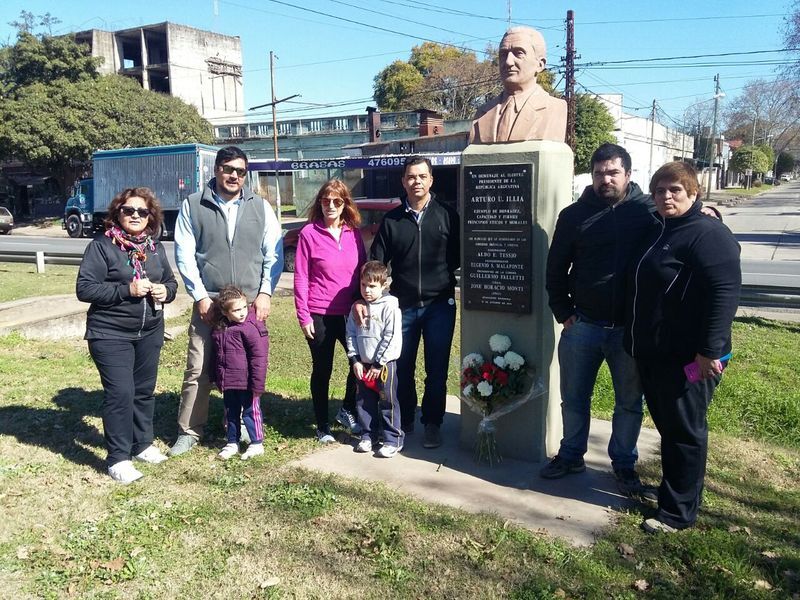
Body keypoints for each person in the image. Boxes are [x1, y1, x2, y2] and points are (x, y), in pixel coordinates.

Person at [625, 162, 741, 533]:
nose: (666, 196)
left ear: (694, 193)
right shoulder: (662, 229)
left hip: (689, 357)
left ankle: (677, 513)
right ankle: (674, 494)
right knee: (671, 428)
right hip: (657, 353)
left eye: (675, 189)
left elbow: (724, 295)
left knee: (685, 432)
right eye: (660, 190)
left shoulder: (707, 234)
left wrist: (708, 351)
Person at [543, 143, 656, 497]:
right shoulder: (574, 216)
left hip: (629, 329)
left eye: (612, 173)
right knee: (573, 398)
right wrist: (564, 312)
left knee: (628, 402)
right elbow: (556, 268)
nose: (605, 179)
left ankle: (623, 462)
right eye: (598, 173)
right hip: (584, 326)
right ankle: (572, 453)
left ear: (628, 174)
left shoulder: (649, 212)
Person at [170, 146, 282, 456]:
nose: (234, 175)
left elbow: (273, 254)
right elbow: (184, 253)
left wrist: (265, 292)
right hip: (211, 304)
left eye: (240, 171)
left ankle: (243, 424)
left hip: (247, 305)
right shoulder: (193, 205)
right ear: (216, 169)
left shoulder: (260, 207)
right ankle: (190, 430)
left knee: (244, 368)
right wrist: (200, 297)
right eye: (228, 168)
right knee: (198, 367)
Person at [77, 187, 178, 483]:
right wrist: (127, 290)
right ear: (117, 213)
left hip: (149, 330)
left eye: (142, 212)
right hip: (110, 333)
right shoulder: (102, 246)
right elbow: (85, 288)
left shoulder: (154, 247)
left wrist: (165, 291)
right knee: (121, 394)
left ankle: (142, 443)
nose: (135, 215)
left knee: (143, 391)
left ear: (151, 217)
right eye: (128, 210)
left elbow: (171, 282)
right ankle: (118, 458)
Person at [371, 156, 460, 449]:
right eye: (411, 177)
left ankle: (432, 423)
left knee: (436, 369)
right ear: (403, 181)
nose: (416, 182)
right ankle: (406, 418)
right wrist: (371, 298)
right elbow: (376, 264)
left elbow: (459, 259)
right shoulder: (392, 220)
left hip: (439, 306)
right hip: (403, 307)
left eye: (422, 176)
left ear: (431, 180)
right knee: (402, 367)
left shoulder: (448, 215)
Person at [294, 179, 366, 443]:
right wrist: (303, 316)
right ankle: (322, 425)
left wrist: (364, 302)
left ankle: (347, 410)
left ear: (345, 204)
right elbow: (301, 277)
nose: (331, 206)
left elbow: (363, 271)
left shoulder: (353, 233)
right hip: (319, 313)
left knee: (358, 363)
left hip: (350, 313)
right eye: (326, 201)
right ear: (320, 203)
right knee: (322, 369)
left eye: (337, 201)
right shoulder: (308, 234)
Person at [470, 26, 567, 144]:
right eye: (504, 54)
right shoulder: (482, 114)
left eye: (518, 53)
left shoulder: (554, 108)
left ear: (540, 64)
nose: (508, 62)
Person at [346, 261, 403, 457]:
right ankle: (368, 435)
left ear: (384, 285)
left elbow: (392, 336)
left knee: (388, 402)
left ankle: (392, 439)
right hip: (363, 364)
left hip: (384, 365)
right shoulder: (357, 308)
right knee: (364, 401)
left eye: (372, 286)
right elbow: (351, 334)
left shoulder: (390, 306)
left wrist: (379, 363)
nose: (367, 291)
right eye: (363, 285)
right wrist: (355, 360)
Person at [210, 286, 268, 461]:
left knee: (251, 411)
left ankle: (256, 442)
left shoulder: (251, 328)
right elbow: (217, 355)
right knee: (230, 412)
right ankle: (232, 442)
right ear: (225, 312)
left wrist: (257, 384)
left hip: (247, 382)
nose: (242, 312)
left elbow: (259, 357)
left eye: (244, 307)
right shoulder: (220, 330)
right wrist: (216, 377)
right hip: (229, 381)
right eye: (236, 310)